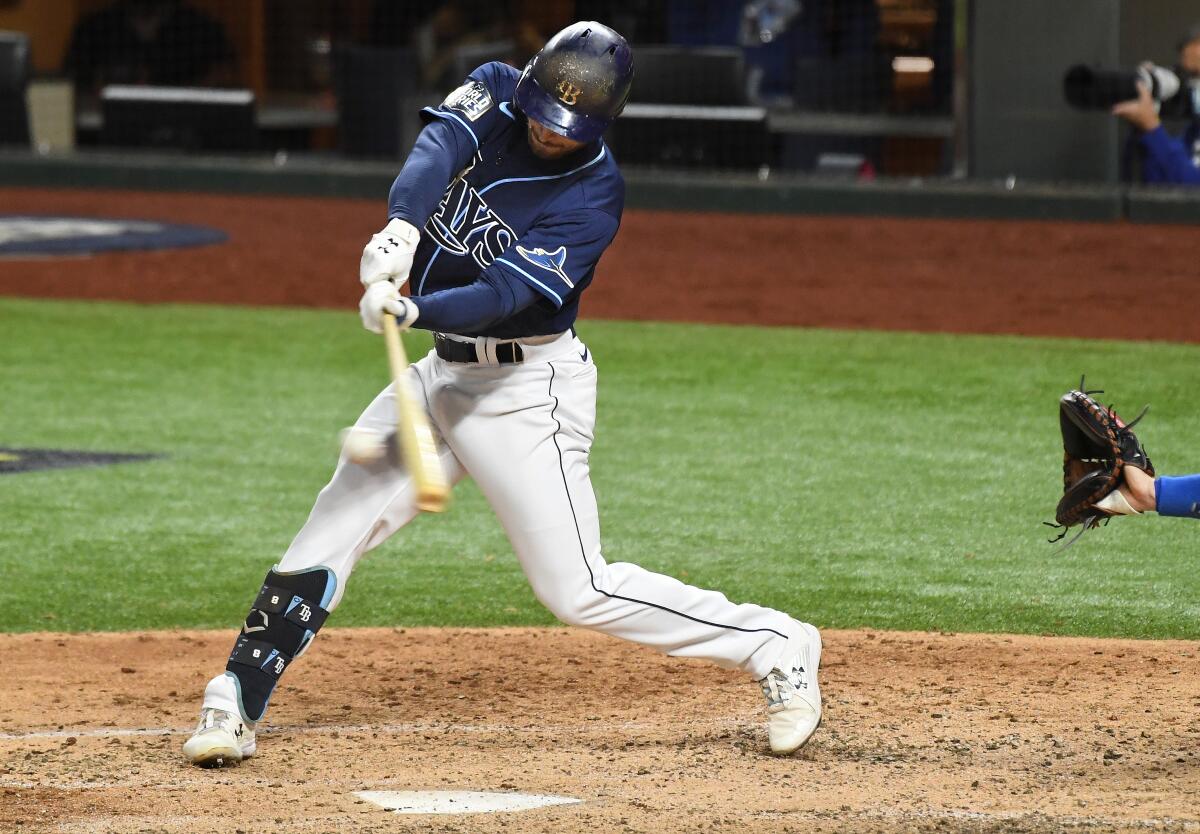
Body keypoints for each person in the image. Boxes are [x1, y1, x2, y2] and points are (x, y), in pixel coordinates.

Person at [181, 21, 823, 768]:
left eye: (569, 129)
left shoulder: (594, 195)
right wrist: (401, 228)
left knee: (576, 588)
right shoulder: (492, 87)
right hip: (438, 376)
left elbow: (503, 293)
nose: (551, 137)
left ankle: (775, 641)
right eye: (545, 118)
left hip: (525, 389)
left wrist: (417, 310)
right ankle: (236, 695)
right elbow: (437, 151)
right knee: (337, 520)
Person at [64, 0, 236, 98]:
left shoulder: (202, 30)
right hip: (110, 148)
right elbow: (69, 94)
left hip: (190, 147)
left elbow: (227, 90)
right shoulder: (94, 30)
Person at [1113, 25, 1200, 185]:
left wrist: (1152, 129)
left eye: (1195, 75)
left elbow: (1193, 192)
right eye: (1186, 74)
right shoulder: (1192, 132)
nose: (1192, 85)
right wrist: (1141, 128)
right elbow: (1153, 185)